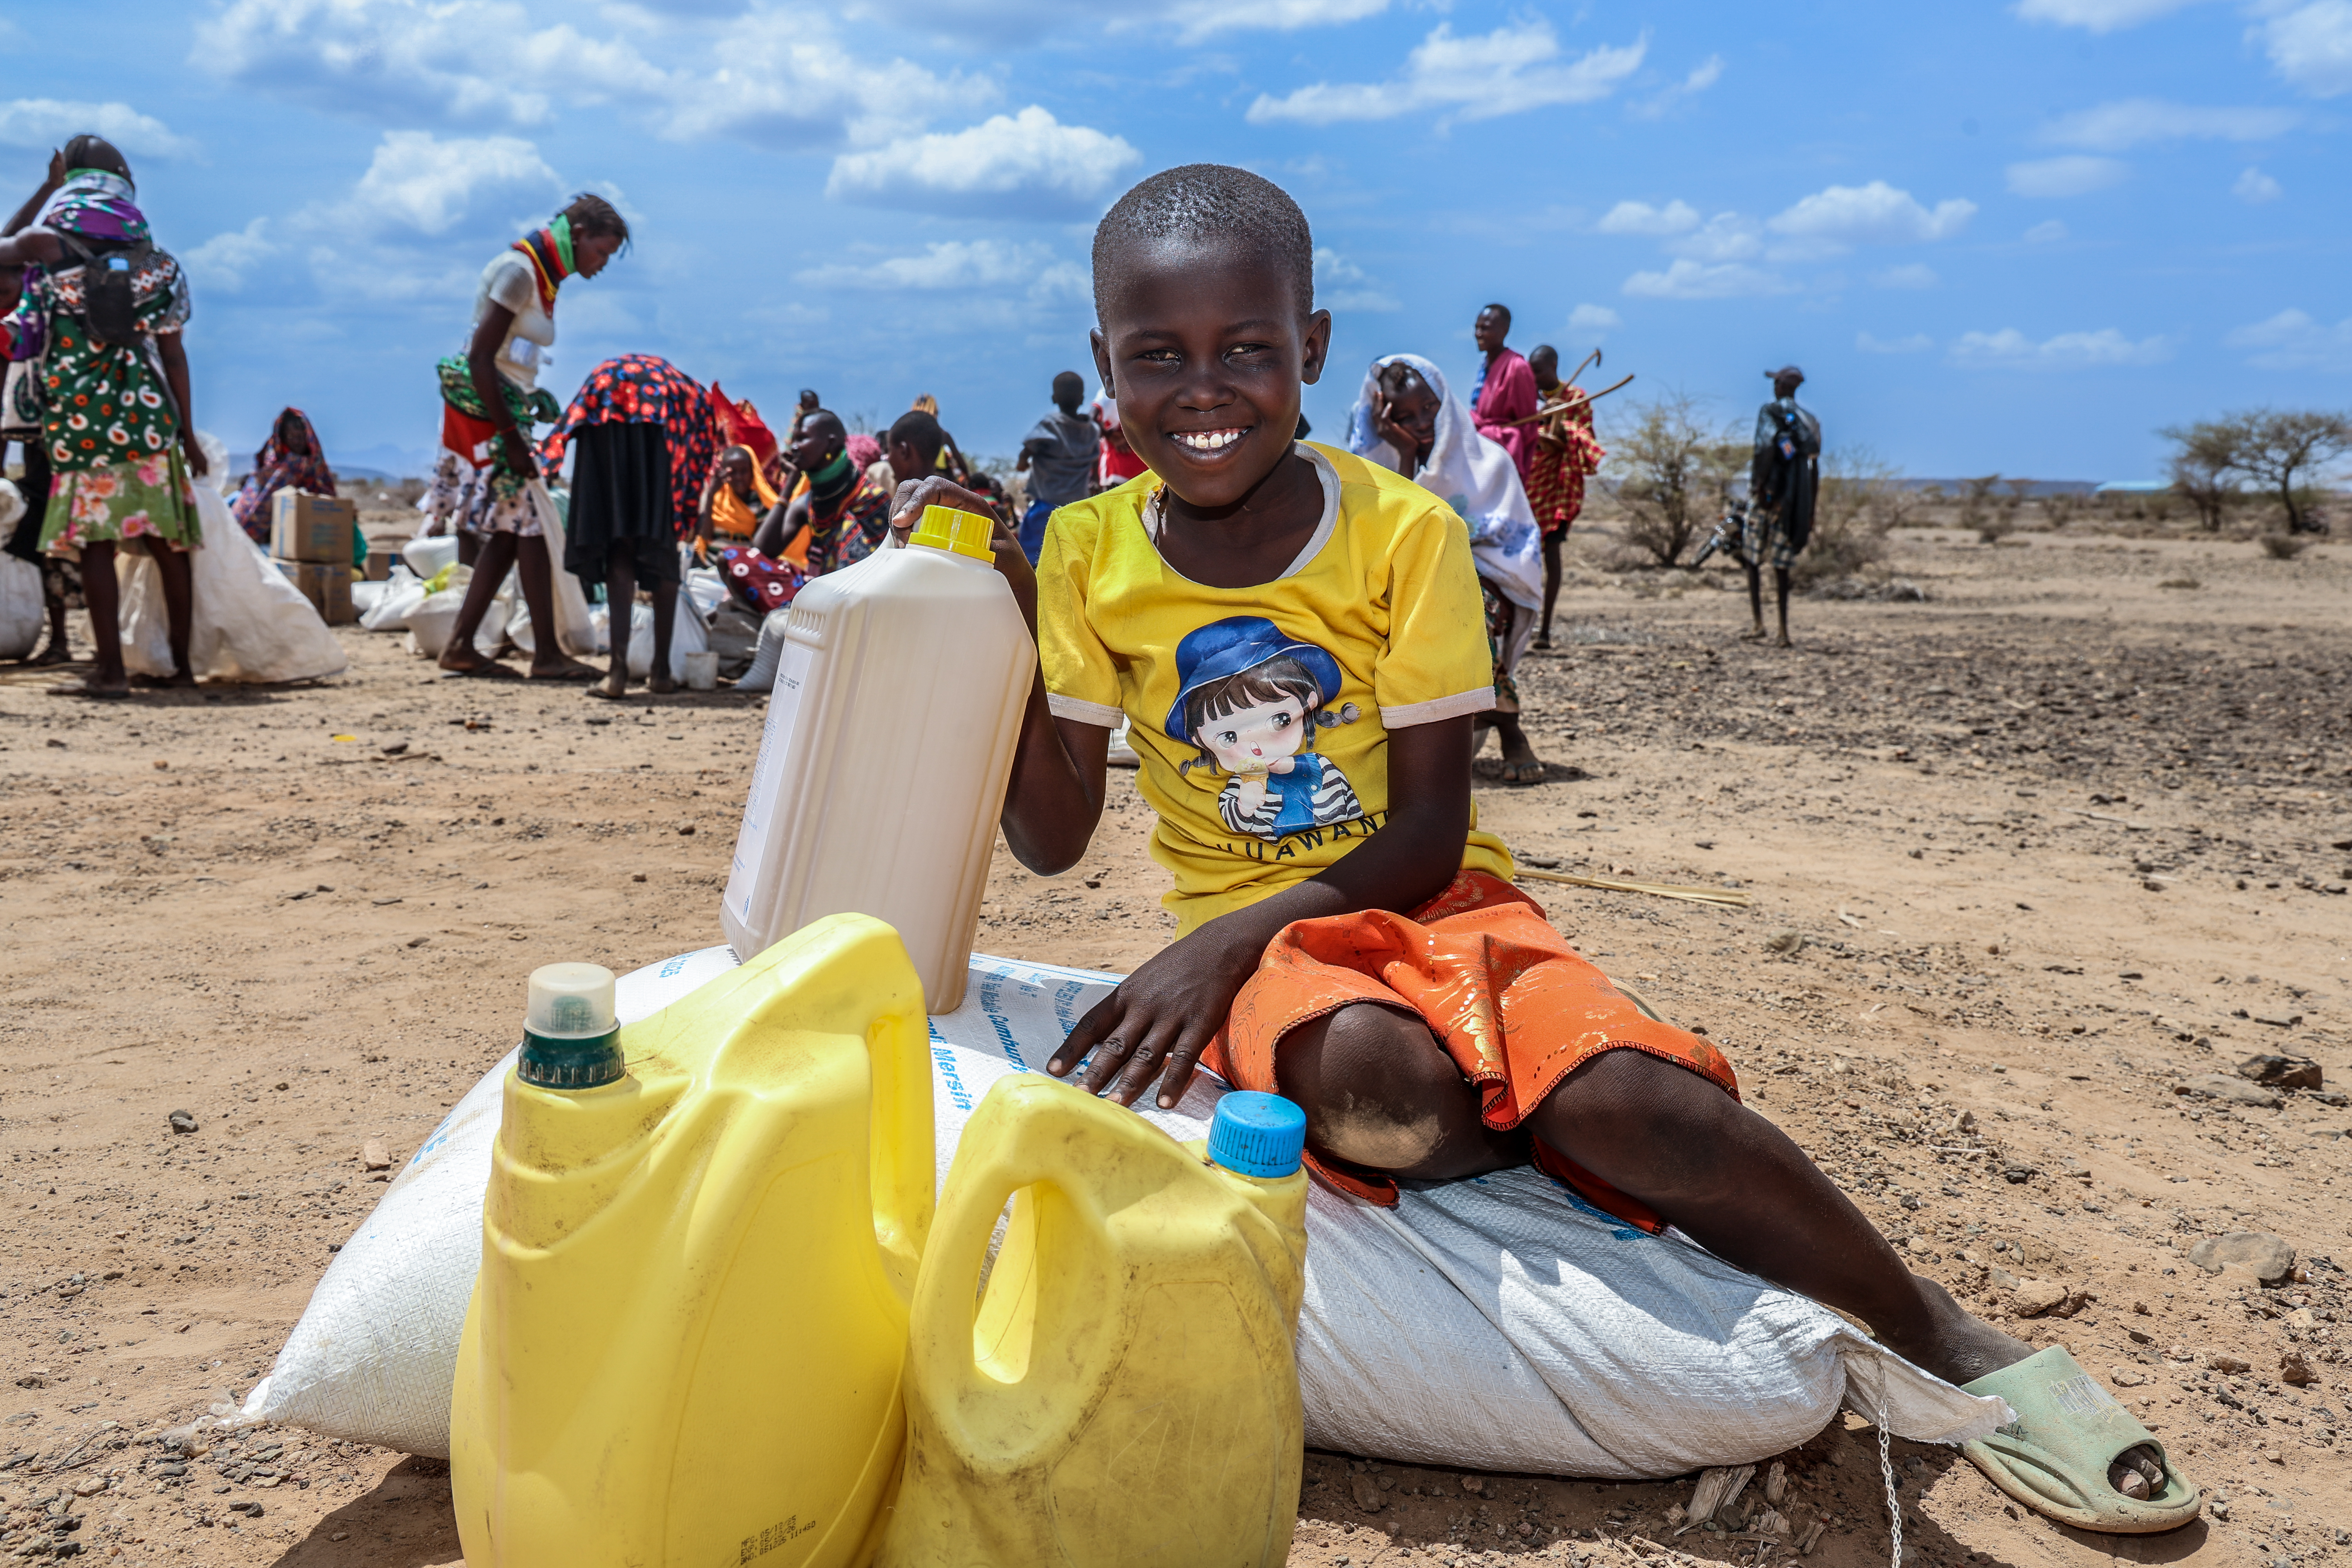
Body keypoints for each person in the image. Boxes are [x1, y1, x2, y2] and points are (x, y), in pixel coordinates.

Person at [880, 162, 2186, 1533]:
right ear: (1105, 368)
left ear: (1310, 349)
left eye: (1248, 350)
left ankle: (1936, 1327)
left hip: (1436, 901)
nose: (1203, 392)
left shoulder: (1404, 531)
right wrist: (1008, 615)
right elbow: (1052, 833)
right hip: (1271, 950)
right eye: (1159, 356)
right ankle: (1550, 1145)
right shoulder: (1084, 550)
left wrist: (1215, 949)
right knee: (1377, 1091)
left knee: (1640, 1104)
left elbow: (1432, 827)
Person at [0, 137, 203, 696]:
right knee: (167, 544)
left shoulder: (46, 245)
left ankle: (111, 671)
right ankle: (183, 671)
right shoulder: (159, 266)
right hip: (148, 419)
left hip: (81, 420)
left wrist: (44, 191)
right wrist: (187, 432)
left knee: (94, 544)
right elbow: (174, 353)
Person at [432, 192, 628, 680]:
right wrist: (511, 438)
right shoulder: (520, 272)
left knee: (507, 534)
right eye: (601, 251)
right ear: (577, 236)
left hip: (507, 413)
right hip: (489, 420)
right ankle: (546, 655)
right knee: (532, 527)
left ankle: (460, 644)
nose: (602, 264)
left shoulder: (543, 277)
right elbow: (480, 358)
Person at [1350, 354, 1547, 786]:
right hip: (1399, 577)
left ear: (1445, 400)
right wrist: (1402, 456)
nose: (1420, 423)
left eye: (1429, 409)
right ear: (1381, 418)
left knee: (1466, 600)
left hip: (1483, 577)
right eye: (1403, 417)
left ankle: (1511, 730)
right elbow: (1383, 534)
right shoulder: (1367, 468)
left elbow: (1511, 542)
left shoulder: (1489, 461)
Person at [539, 353, 719, 699]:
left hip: (609, 422)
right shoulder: (680, 389)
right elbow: (703, 439)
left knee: (620, 545)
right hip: (665, 430)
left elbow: (570, 423)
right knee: (662, 544)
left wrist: (549, 457)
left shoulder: (608, 380)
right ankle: (661, 671)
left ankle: (618, 671)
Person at [1524, 344, 1606, 649]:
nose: (1534, 378)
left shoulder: (1576, 399)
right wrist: (1540, 416)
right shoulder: (1528, 399)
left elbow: (1584, 437)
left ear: (1554, 367)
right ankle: (1521, 627)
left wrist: (1560, 423)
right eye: (1531, 372)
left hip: (1558, 489)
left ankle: (1545, 629)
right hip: (1529, 487)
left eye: (1539, 372)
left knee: (1552, 556)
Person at [752, 407, 891, 576]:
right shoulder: (809, 502)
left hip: (863, 590)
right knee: (735, 561)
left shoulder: (870, 496)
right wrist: (789, 487)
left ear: (831, 444)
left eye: (802, 439)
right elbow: (762, 551)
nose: (794, 447)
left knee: (850, 524)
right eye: (794, 440)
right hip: (819, 591)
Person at [1745, 365, 1821, 648]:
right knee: (1782, 567)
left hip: (1767, 499)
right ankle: (1783, 631)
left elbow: (1764, 447)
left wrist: (1759, 488)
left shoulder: (1770, 412)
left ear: (1780, 387)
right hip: (1794, 504)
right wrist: (1808, 509)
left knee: (1753, 557)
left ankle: (1758, 624)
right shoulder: (1810, 420)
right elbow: (1815, 465)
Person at [1013, 370, 1099, 564]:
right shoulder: (1092, 431)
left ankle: (1034, 584)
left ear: (1054, 398)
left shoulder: (1050, 425)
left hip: (1047, 503)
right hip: (1077, 505)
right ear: (1082, 399)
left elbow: (1028, 449)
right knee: (1073, 552)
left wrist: (1022, 463)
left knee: (1034, 554)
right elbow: (1095, 463)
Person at [229, 407, 336, 544]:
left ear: (308, 436)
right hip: (262, 539)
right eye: (291, 437)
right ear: (283, 437)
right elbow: (256, 503)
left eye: (300, 437)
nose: (296, 442)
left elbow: (329, 503)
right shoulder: (270, 463)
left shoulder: (315, 467)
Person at [1468, 302, 1537, 489]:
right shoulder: (1485, 365)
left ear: (1504, 330)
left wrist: (1497, 436)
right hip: (1478, 449)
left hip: (1502, 456)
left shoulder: (1518, 368)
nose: (1478, 333)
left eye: (1486, 328)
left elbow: (1528, 426)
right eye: (1477, 328)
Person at [698, 444, 776, 554]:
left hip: (743, 566)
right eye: (733, 472)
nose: (739, 477)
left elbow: (759, 544)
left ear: (753, 472)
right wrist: (710, 496)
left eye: (744, 471)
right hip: (711, 563)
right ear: (723, 472)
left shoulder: (759, 502)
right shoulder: (716, 497)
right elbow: (706, 536)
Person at [1093, 385, 1150, 490]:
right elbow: (1092, 420)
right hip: (1121, 471)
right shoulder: (1112, 391)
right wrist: (1110, 436)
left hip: (1143, 470)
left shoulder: (1146, 387)